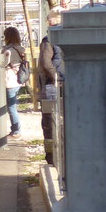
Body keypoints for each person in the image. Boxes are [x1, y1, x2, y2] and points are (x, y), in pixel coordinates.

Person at [38, 10, 65, 164]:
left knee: (49, 124)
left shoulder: (48, 41)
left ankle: (52, 158)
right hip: (62, 84)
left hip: (52, 86)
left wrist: (56, 77)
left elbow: (45, 64)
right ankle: (57, 157)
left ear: (49, 22)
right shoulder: (66, 38)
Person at [0, 26, 27, 139]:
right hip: (18, 79)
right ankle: (15, 129)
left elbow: (2, 64)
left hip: (10, 80)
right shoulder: (21, 49)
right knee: (12, 105)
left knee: (11, 107)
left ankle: (16, 130)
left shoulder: (8, 51)